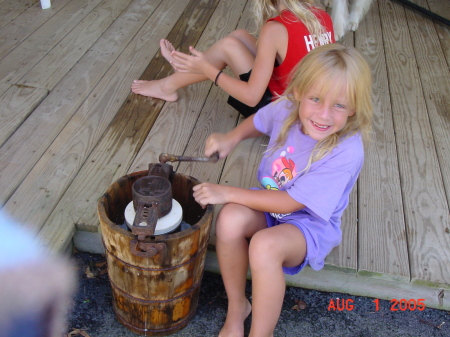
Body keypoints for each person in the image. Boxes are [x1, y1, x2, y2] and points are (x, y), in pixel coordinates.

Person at [192, 43, 373, 337]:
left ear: (353, 108)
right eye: (316, 99)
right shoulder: (288, 105)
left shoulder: (347, 150)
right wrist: (231, 137)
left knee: (264, 246)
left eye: (339, 105)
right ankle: (238, 308)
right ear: (299, 92)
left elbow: (290, 203)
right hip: (269, 202)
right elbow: (259, 120)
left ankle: (261, 333)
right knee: (229, 218)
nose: (324, 115)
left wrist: (227, 192)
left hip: (307, 224)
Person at [131, 0, 334, 117]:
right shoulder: (321, 15)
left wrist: (210, 70)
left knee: (229, 46)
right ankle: (182, 71)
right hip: (310, 107)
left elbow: (251, 97)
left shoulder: (276, 28)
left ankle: (170, 83)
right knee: (239, 36)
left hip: (284, 120)